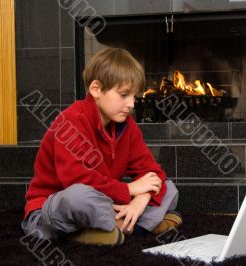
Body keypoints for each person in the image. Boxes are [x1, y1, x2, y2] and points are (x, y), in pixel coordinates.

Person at [21, 47, 181, 245]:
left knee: (168, 187)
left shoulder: (127, 126)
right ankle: (130, 226)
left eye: (134, 96)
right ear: (96, 89)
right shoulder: (71, 121)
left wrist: (141, 200)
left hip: (106, 200)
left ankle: (111, 227)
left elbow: (152, 173)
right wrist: (129, 189)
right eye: (124, 95)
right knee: (79, 196)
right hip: (54, 207)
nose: (131, 104)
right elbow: (76, 180)